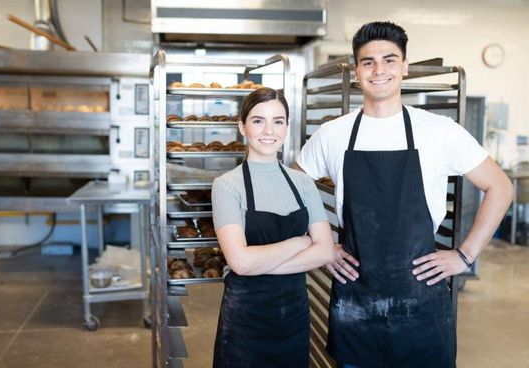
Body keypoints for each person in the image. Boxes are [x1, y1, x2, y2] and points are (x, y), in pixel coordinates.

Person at [296, 21, 513, 368]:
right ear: (356, 71)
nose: (379, 69)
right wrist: (321, 248)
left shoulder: (440, 131)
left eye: (389, 59)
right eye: (368, 62)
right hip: (356, 301)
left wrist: (465, 255)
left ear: (405, 67)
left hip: (421, 303)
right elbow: (294, 189)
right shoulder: (332, 134)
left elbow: (501, 186)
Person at [211, 87, 336, 368]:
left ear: (287, 127)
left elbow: (326, 251)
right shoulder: (227, 185)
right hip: (245, 321)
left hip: (292, 317)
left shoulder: (303, 183)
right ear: (242, 126)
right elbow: (240, 263)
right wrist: (300, 243)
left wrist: (256, 263)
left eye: (278, 121)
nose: (269, 130)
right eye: (258, 121)